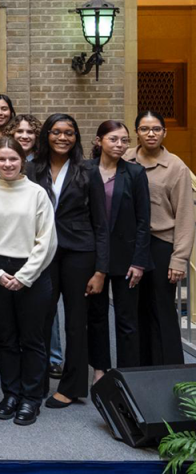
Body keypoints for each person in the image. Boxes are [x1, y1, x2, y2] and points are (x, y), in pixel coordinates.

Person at [0, 137, 57, 426]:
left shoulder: (37, 194)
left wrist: (24, 276)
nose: (7, 164)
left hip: (32, 272)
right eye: (2, 159)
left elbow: (46, 241)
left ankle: (31, 398)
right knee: (6, 339)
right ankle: (10, 393)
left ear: (23, 160)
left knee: (32, 339)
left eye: (13, 159)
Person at [31, 114, 108, 410]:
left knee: (77, 322)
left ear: (76, 137)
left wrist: (101, 269)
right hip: (43, 252)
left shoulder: (88, 171)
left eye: (70, 133)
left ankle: (73, 387)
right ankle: (36, 380)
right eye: (57, 132)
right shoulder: (32, 169)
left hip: (80, 253)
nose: (63, 137)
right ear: (46, 135)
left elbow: (101, 224)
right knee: (41, 317)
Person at [124, 111, 195, 366]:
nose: (150, 133)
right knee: (135, 309)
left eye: (156, 129)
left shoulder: (175, 166)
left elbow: (186, 215)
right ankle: (141, 367)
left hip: (161, 245)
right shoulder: (125, 159)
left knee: (162, 309)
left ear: (165, 132)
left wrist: (179, 259)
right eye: (144, 129)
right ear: (137, 133)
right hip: (131, 245)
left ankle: (169, 368)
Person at [88, 121, 151, 380]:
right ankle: (100, 369)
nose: (120, 145)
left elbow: (143, 221)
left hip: (127, 258)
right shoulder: (85, 170)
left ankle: (128, 374)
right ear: (99, 140)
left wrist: (139, 262)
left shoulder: (135, 173)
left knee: (127, 320)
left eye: (125, 140)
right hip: (92, 257)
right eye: (114, 139)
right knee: (96, 316)